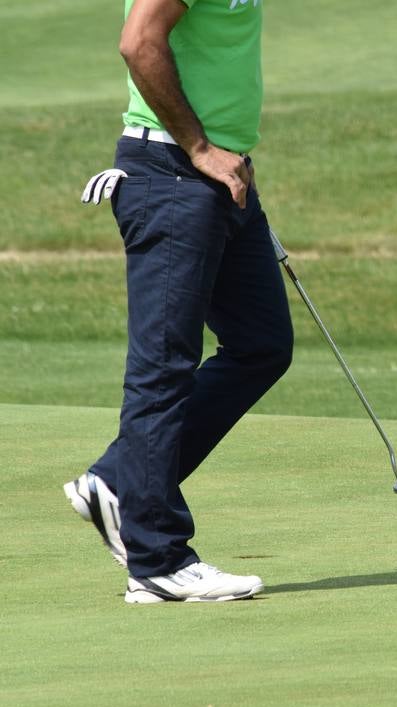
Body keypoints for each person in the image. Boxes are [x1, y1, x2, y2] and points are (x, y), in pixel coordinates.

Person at [63, 0, 291, 603]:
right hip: (170, 171)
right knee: (162, 365)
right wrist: (198, 147)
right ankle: (157, 559)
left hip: (220, 178)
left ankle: (117, 481)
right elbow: (139, 41)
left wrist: (226, 159)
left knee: (261, 344)